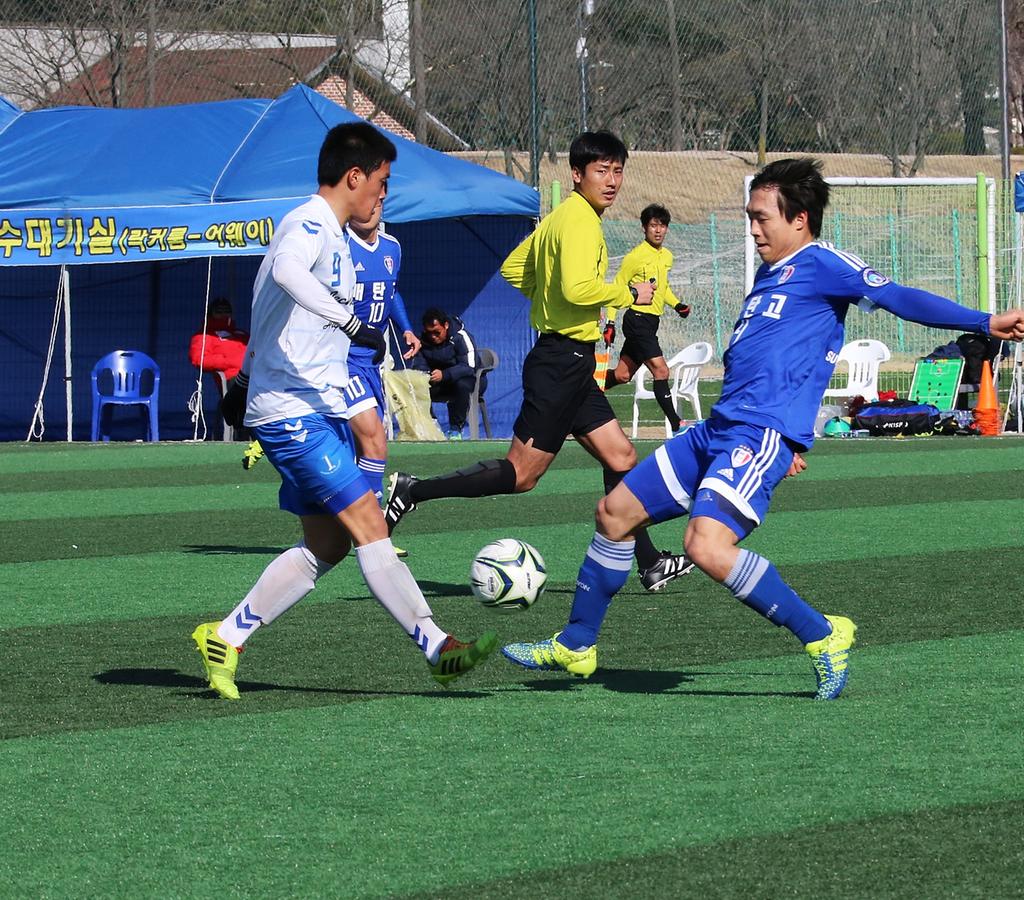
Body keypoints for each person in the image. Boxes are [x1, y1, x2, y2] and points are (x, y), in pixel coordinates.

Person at [501, 157, 1024, 700]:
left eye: (760, 218)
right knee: (615, 512)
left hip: (758, 435)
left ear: (799, 219)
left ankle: (822, 635)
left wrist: (983, 322)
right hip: (721, 428)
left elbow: (898, 297)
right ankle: (577, 642)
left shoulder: (824, 263)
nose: (752, 229)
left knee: (705, 545)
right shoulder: (769, 275)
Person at [191, 122, 496, 700]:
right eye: (381, 181)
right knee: (369, 522)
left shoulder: (331, 234)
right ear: (354, 176)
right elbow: (286, 273)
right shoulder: (308, 223)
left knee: (328, 545)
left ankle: (226, 636)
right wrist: (348, 318)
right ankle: (435, 646)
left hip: (312, 406)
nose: (384, 193)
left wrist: (247, 379)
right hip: (292, 415)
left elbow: (270, 313)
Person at [383, 131, 693, 592]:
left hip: (572, 360)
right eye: (601, 171)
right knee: (521, 475)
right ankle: (413, 489)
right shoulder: (581, 222)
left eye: (617, 170)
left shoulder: (559, 219)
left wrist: (552, 301)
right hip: (559, 363)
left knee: (621, 454)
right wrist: (628, 293)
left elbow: (514, 269)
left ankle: (648, 563)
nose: (611, 181)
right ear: (576, 175)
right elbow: (577, 290)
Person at [603, 204, 692, 433]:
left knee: (622, 375)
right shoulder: (635, 257)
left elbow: (664, 287)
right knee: (661, 371)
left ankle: (586, 388)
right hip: (637, 320)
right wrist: (610, 323)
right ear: (644, 228)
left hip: (651, 323)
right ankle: (676, 423)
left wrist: (676, 305)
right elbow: (617, 287)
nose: (658, 230)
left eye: (662, 225)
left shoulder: (667, 256)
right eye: (653, 225)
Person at [410, 308, 485, 440]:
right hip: (439, 382)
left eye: (436, 332)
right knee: (416, 386)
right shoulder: (423, 341)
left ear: (446, 325)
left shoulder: (461, 337)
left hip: (470, 381)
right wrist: (426, 375)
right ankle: (432, 427)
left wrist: (444, 374)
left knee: (461, 385)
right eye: (429, 333)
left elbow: (470, 366)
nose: (433, 336)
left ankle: (456, 430)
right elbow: (419, 365)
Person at [189, 296, 249, 437]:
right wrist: (228, 362)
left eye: (227, 311)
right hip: (232, 377)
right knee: (245, 394)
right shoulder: (204, 335)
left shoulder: (241, 334)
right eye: (219, 311)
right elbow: (198, 359)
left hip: (255, 374)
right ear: (211, 313)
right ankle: (242, 433)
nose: (224, 314)